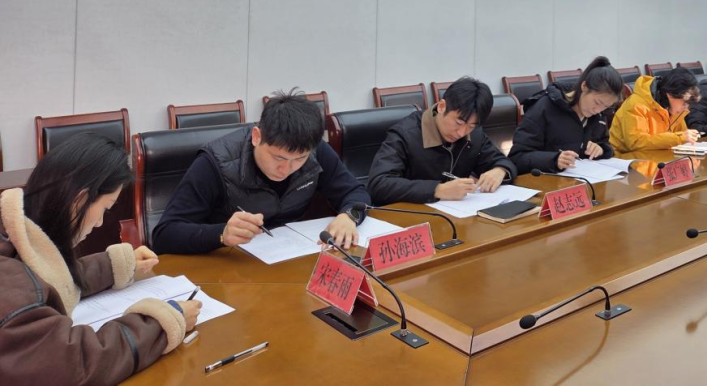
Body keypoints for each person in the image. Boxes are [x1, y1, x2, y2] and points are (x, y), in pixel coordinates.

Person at [1, 134, 199, 384]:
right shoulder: (9, 279)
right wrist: (162, 323)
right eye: (105, 208)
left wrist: (112, 266)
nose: (99, 223)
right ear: (80, 200)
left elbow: (48, 277)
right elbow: (72, 363)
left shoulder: (14, 237)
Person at [153, 89, 370, 254]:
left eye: (299, 160)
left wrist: (348, 216)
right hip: (227, 265)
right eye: (278, 158)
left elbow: (355, 192)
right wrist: (221, 234)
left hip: (288, 256)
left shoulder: (314, 150)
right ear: (257, 136)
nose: (286, 169)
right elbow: (164, 234)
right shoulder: (214, 163)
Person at [367, 77, 516, 205]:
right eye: (458, 123)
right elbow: (378, 185)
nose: (461, 132)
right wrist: (438, 190)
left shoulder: (474, 133)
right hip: (410, 217)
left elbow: (504, 161)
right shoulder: (405, 134)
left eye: (471, 126)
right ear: (441, 106)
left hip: (457, 215)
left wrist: (500, 170)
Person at [509, 56, 623, 173]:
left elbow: (605, 143)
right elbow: (517, 157)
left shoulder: (599, 115)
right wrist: (554, 160)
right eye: (597, 102)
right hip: (545, 180)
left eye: (605, 106)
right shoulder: (544, 107)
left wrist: (601, 150)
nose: (598, 110)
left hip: (584, 179)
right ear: (584, 86)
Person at [610, 67, 702, 151]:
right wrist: (679, 138)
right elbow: (636, 143)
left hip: (656, 157)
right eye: (684, 103)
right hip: (624, 158)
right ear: (670, 94)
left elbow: (681, 138)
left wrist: (688, 138)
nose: (686, 108)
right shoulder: (636, 104)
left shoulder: (676, 108)